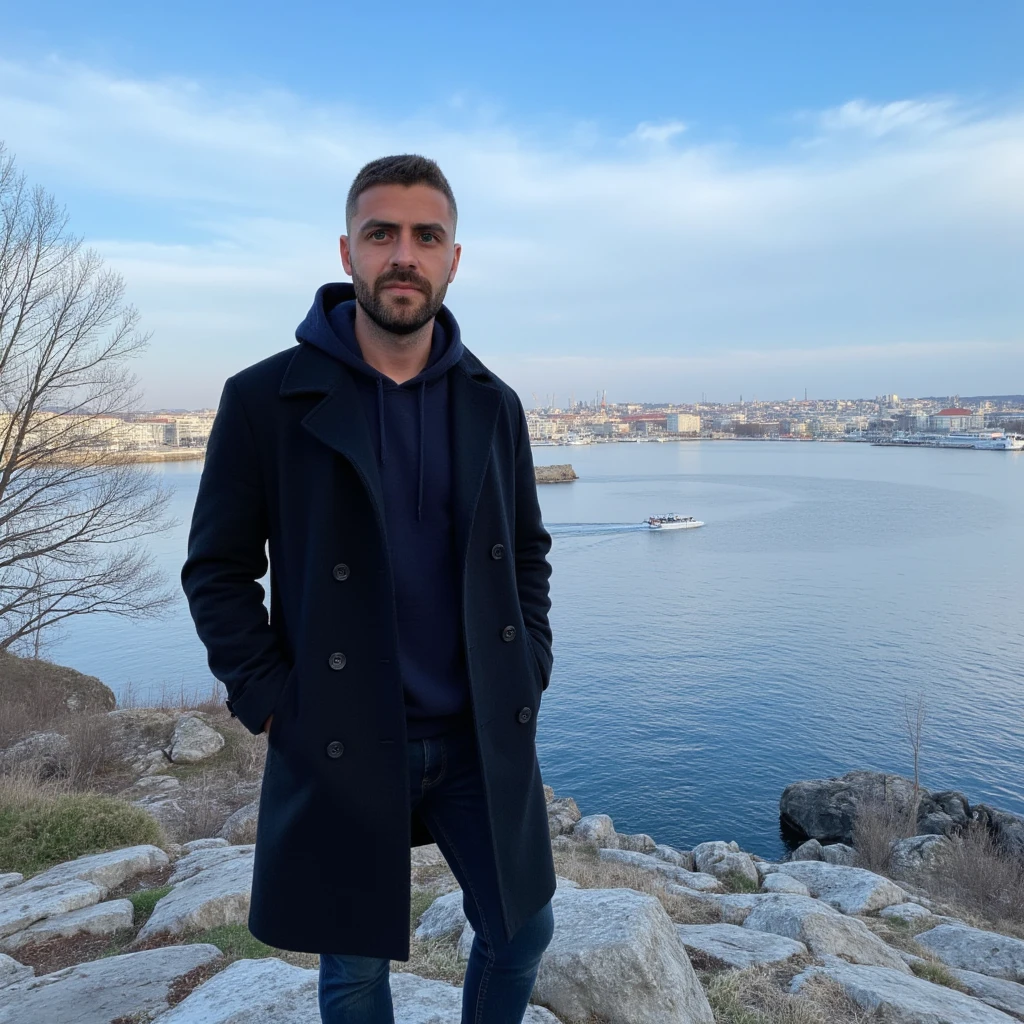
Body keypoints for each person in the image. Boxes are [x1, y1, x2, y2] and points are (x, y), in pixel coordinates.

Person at [181, 154, 556, 1023]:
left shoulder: (493, 404)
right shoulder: (265, 398)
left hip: (474, 734)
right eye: (381, 233)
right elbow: (218, 568)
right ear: (347, 250)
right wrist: (273, 700)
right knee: (353, 965)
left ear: (454, 259)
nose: (404, 255)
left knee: (521, 931)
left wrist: (528, 665)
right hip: (343, 731)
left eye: (427, 236)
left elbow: (527, 551)